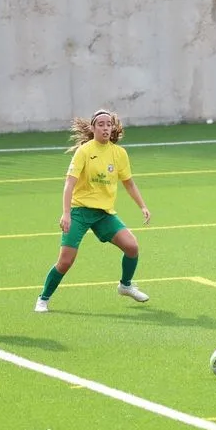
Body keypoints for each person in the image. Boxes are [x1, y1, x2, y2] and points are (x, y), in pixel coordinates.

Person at [34, 109, 151, 312]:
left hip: (104, 214)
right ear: (93, 128)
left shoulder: (119, 153)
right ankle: (43, 298)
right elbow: (69, 184)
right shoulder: (85, 151)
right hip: (79, 211)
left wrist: (142, 206)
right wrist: (66, 213)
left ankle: (125, 285)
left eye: (109, 124)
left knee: (132, 246)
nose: (106, 128)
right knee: (65, 261)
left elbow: (129, 184)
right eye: (101, 124)